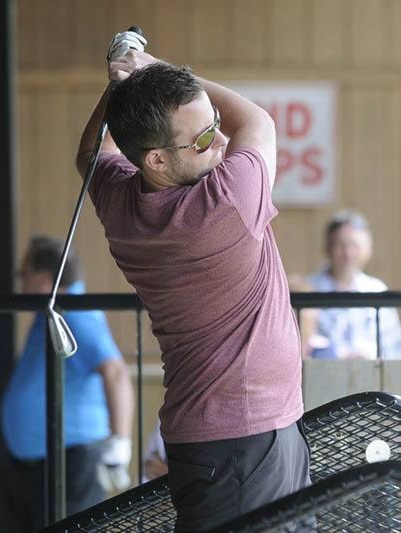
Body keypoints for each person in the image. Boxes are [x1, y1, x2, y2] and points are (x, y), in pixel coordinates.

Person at [76, 31, 310, 531]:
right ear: (156, 159)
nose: (222, 140)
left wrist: (126, 87)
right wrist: (146, 66)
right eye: (203, 138)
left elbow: (91, 156)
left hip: (229, 436)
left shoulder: (120, 202)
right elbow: (259, 121)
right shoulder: (225, 201)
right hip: (245, 441)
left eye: (215, 125)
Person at [0, 235, 134, 532]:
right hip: (42, 466)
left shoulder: (73, 313)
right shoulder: (52, 311)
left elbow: (115, 373)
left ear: (46, 280)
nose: (21, 282)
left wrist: (120, 442)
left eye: (25, 275)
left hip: (70, 463)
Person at [309, 210, 401, 359]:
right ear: (327, 248)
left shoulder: (377, 290)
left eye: (355, 246)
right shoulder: (308, 290)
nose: (348, 253)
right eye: (341, 245)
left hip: (372, 379)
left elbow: (394, 349)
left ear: (368, 250)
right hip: (319, 378)